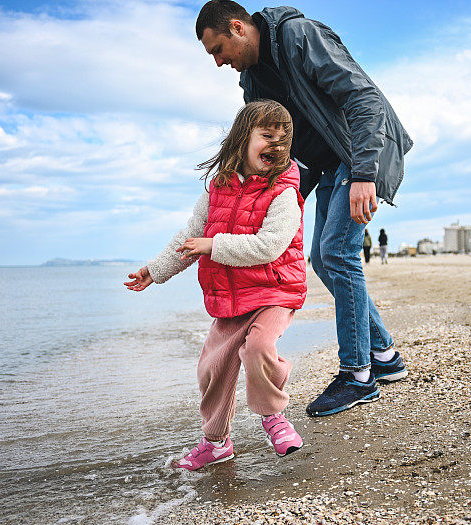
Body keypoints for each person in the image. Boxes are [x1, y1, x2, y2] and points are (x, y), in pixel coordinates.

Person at [196, 0, 412, 417]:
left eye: (217, 50)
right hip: (328, 165)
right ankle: (384, 355)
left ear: (238, 28)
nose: (219, 62)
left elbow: (364, 98)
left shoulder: (298, 36)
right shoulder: (254, 84)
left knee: (337, 253)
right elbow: (274, 149)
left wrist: (365, 173)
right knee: (321, 258)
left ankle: (358, 375)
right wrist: (278, 198)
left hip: (361, 151)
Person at [124, 100, 306, 470]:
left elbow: (270, 245)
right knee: (212, 367)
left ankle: (273, 416)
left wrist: (214, 245)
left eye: (283, 139)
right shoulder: (217, 188)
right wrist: (154, 271)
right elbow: (191, 237)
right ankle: (216, 442)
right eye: (267, 135)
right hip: (229, 296)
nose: (276, 145)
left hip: (274, 290)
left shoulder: (284, 193)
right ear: (242, 138)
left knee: (258, 347)